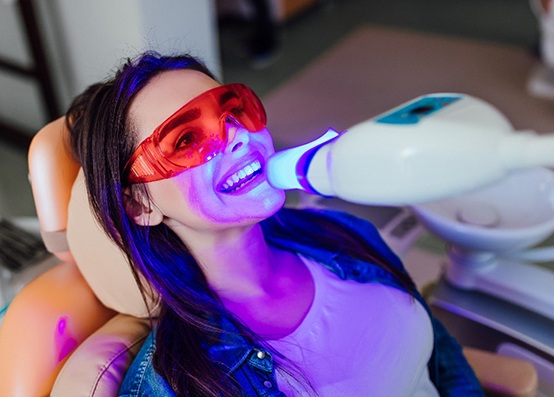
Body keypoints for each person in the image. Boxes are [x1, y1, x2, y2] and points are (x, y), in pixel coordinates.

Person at [66, 52, 484, 396]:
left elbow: (443, 361)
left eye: (233, 111)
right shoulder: (178, 385)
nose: (237, 137)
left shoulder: (345, 232)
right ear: (140, 205)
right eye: (187, 140)